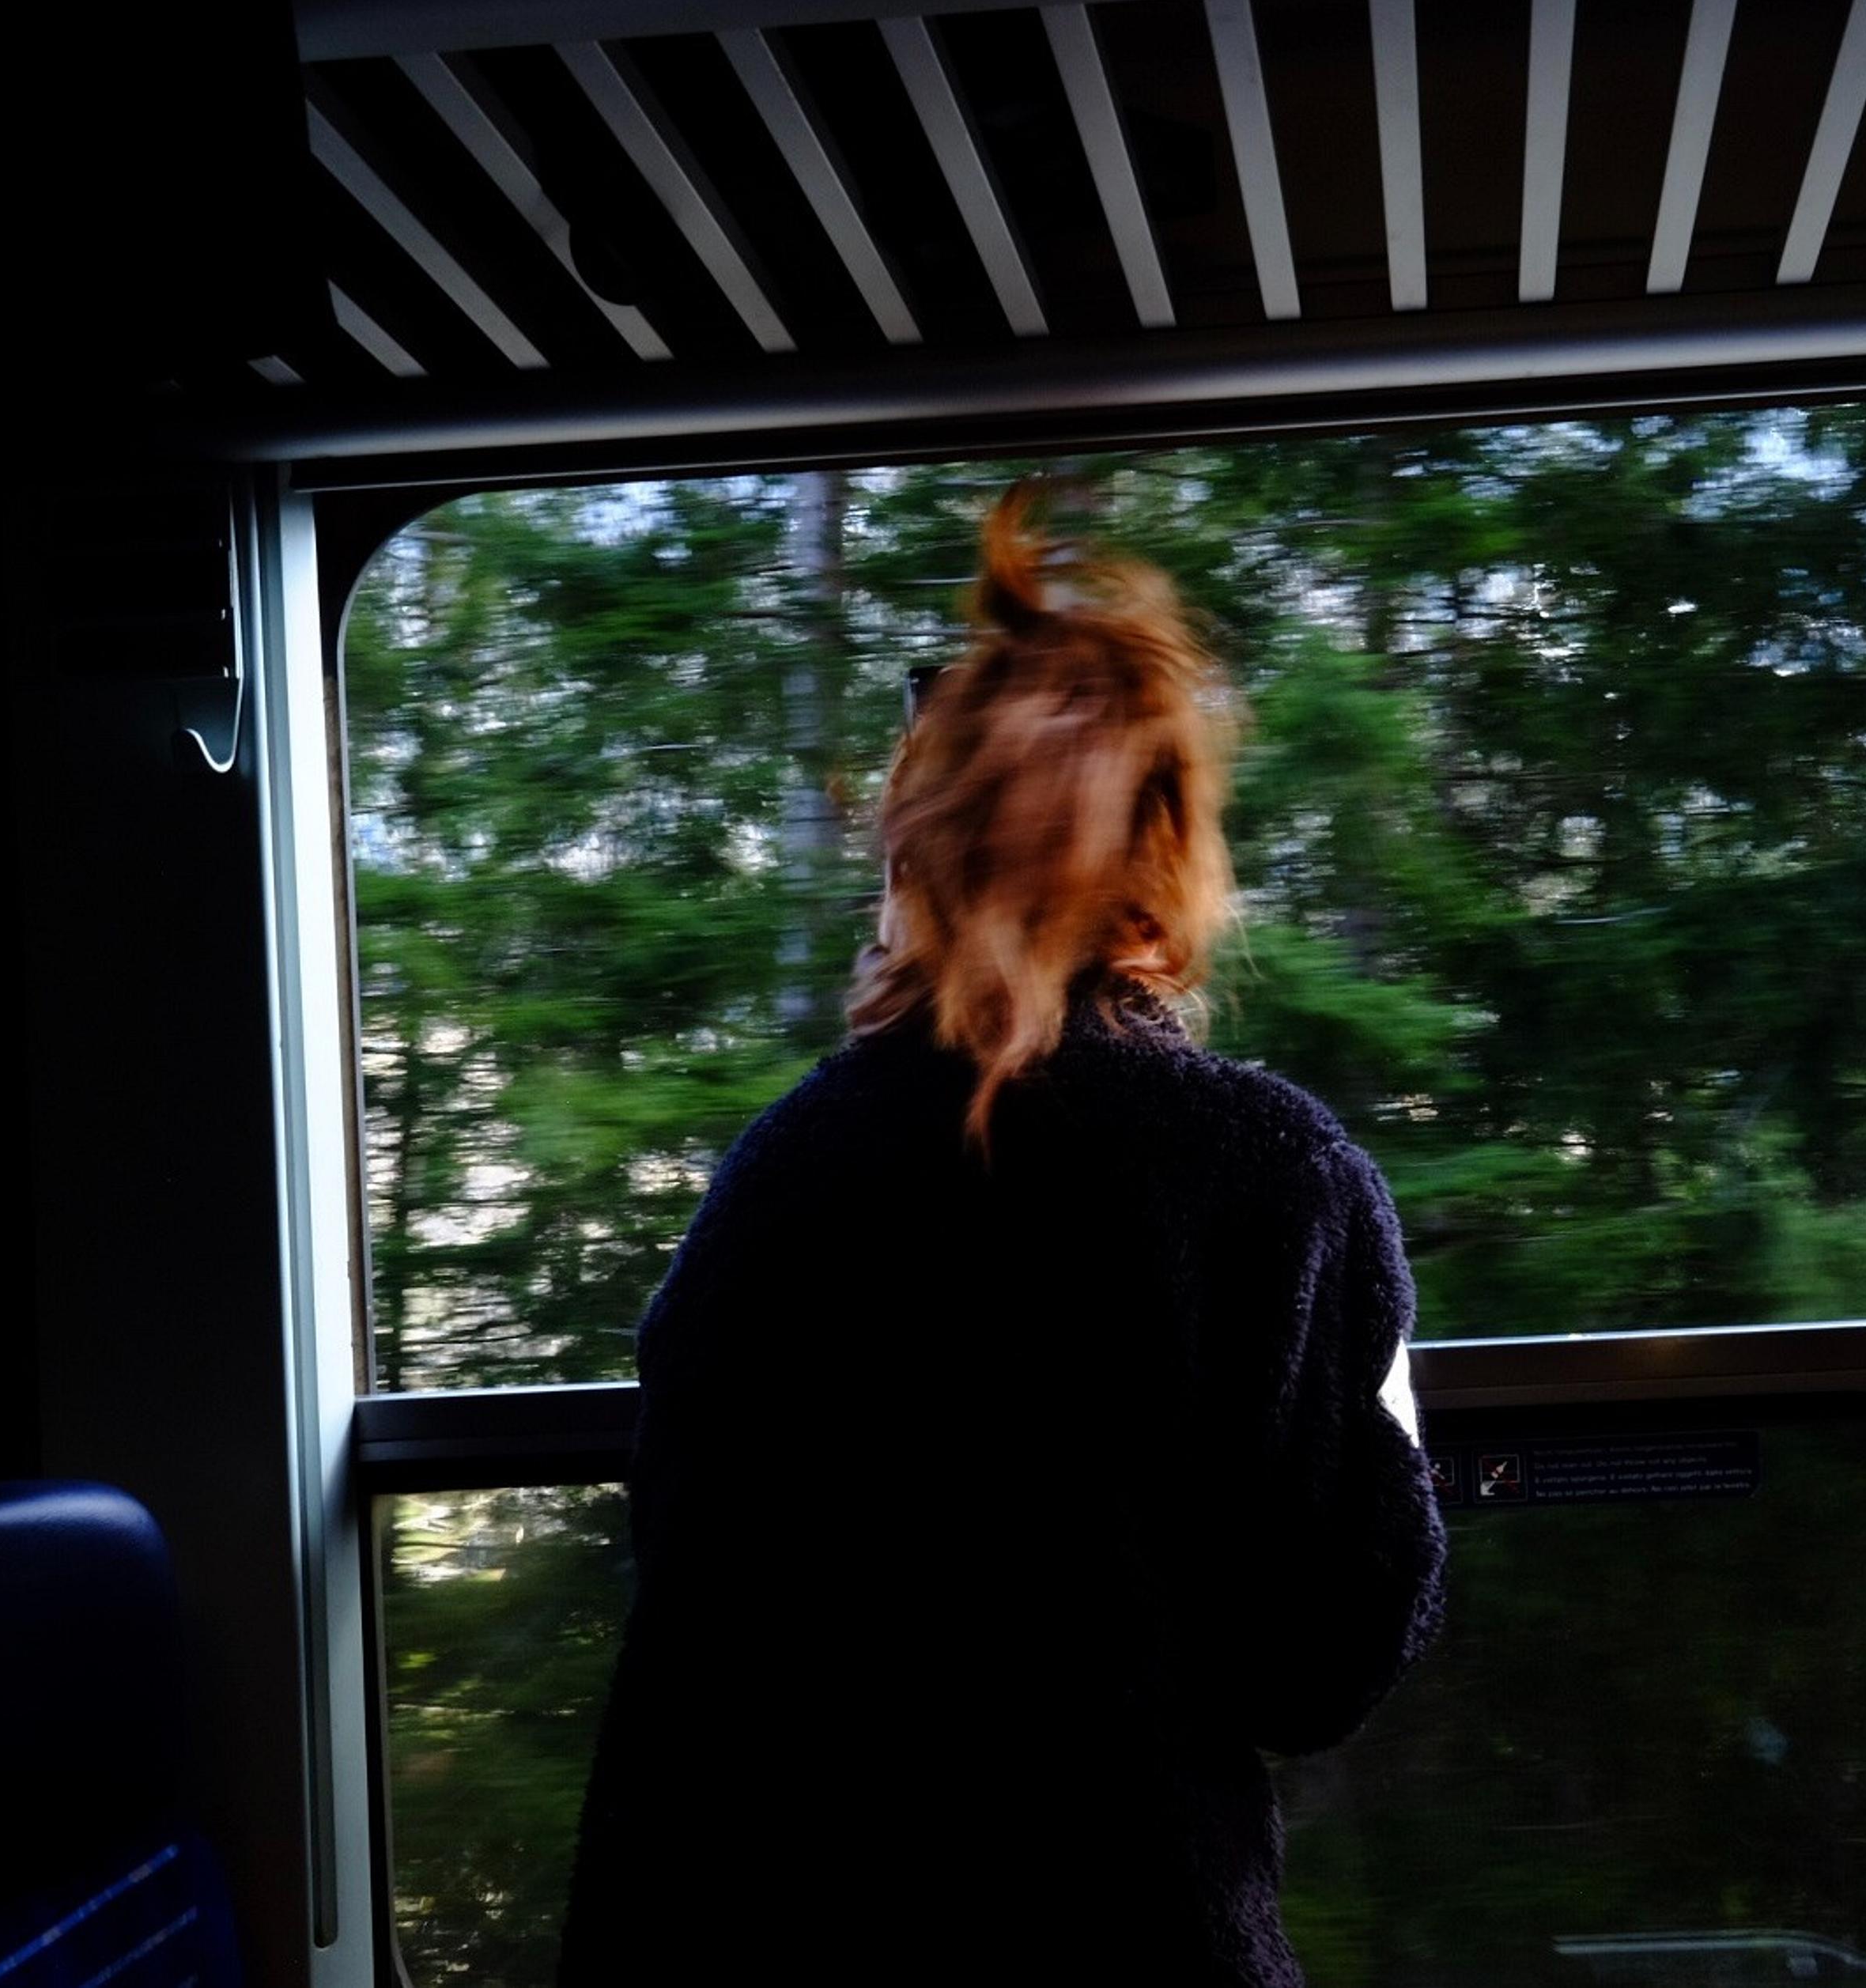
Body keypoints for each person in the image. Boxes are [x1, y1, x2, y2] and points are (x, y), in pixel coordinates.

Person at [556, 485, 1448, 1986]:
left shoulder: (777, 1177)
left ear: (914, 856)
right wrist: (1398, 1455)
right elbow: (1317, 1661)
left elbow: (691, 1592)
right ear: (1171, 866)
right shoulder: (1275, 1177)